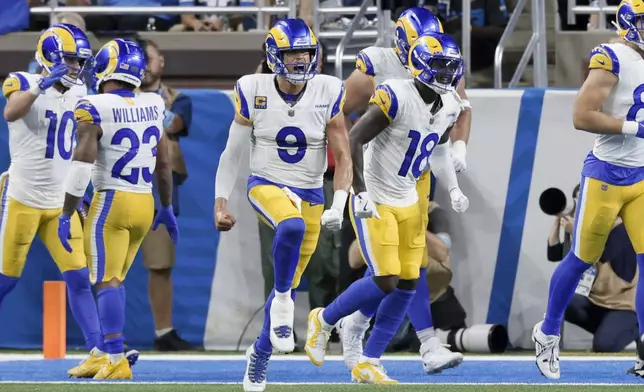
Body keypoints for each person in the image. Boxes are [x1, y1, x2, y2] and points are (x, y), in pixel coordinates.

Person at [305, 32, 469, 384]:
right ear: (420, 66)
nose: (445, 76)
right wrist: (358, 190)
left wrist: (453, 188)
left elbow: (438, 149)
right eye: (439, 68)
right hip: (377, 196)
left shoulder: (451, 104)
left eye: (450, 69)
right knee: (386, 277)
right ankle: (325, 318)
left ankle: (370, 359)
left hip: (409, 196)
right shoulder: (396, 95)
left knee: (409, 282)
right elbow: (353, 139)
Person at [213, 18, 353, 392]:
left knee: (287, 283)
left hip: (310, 192)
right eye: (293, 54)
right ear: (275, 56)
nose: (301, 60)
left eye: (306, 53)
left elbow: (343, 152)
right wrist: (220, 202)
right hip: (266, 184)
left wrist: (338, 203)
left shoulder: (328, 89)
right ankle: (284, 306)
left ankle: (258, 355)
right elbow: (232, 153)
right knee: (290, 229)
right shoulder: (252, 88)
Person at [532, 0, 644, 379]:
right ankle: (547, 333)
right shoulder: (612, 56)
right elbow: (582, 116)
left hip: (642, 175)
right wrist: (633, 129)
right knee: (581, 256)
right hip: (606, 175)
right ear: (630, 22)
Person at [57, 38, 179, 380]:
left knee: (106, 281)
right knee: (116, 278)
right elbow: (164, 164)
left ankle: (114, 357)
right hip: (144, 202)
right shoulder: (154, 103)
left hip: (111, 199)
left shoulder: (92, 104)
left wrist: (66, 213)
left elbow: (82, 165)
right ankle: (106, 354)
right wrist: (166, 207)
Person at [0, 23, 107, 378]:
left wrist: (82, 192)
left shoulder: (82, 94)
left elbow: (81, 149)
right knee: (6, 279)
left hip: (61, 202)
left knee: (78, 276)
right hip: (22, 197)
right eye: (71, 61)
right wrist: (42, 83)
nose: (76, 68)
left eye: (80, 62)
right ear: (49, 57)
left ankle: (98, 351)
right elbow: (11, 112)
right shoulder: (22, 81)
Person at [137, 38, 196, 352]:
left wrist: (143, 103)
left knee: (161, 264)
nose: (145, 65)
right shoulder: (111, 98)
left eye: (150, 58)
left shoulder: (177, 99)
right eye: (139, 59)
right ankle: (102, 334)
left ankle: (163, 331)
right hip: (118, 184)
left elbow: (175, 123)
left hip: (160, 192)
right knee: (105, 263)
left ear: (161, 62)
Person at [547, 185, 639, 354]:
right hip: (596, 304)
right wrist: (557, 219)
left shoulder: (621, 225)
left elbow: (604, 254)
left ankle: (631, 329)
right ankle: (609, 329)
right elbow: (554, 254)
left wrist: (576, 230)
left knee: (604, 346)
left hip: (624, 307)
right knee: (559, 298)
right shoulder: (583, 230)